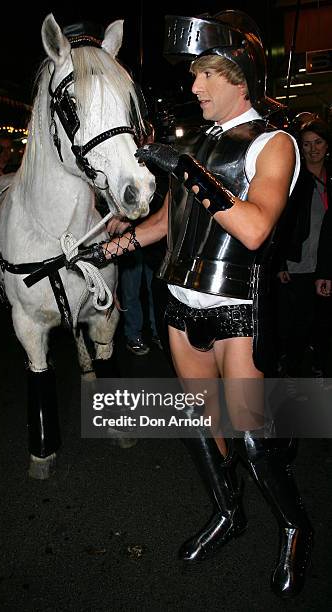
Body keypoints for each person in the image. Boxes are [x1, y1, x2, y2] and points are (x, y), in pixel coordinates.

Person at [69, 11, 312, 598]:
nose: (194, 86)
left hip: (235, 307)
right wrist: (114, 242)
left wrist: (189, 171)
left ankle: (294, 528)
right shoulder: (200, 141)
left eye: (206, 74)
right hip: (181, 301)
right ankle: (228, 512)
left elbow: (254, 230)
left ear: (239, 77)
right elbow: (170, 222)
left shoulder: (275, 143)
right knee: (199, 422)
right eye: (194, 75)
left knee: (251, 434)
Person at [276, 119, 332, 376]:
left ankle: (322, 368)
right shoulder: (294, 181)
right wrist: (279, 263)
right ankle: (293, 374)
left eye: (318, 142)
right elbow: (279, 223)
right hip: (299, 264)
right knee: (297, 325)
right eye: (306, 144)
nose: (313, 149)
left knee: (323, 325)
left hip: (326, 264)